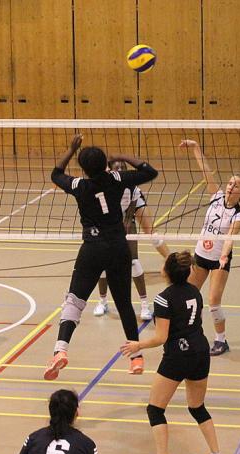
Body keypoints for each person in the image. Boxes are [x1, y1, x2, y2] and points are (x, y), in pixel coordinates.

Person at [43, 134, 158, 380]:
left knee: (74, 300)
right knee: (124, 303)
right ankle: (136, 357)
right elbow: (150, 172)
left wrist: (71, 149)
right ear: (106, 163)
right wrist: (122, 155)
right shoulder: (117, 179)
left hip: (93, 248)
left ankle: (60, 350)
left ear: (84, 169)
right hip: (118, 247)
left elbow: (55, 174)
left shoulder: (79, 186)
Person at [120, 251, 227, 454]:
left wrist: (138, 345)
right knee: (197, 407)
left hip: (179, 355)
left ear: (166, 272)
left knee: (155, 410)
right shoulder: (195, 292)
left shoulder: (163, 299)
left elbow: (161, 337)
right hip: (200, 350)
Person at [180, 139, 240, 356]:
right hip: (200, 256)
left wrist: (224, 256)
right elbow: (205, 170)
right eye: (229, 183)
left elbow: (229, 238)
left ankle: (221, 340)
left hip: (219, 259)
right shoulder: (216, 196)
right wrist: (195, 147)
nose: (230, 187)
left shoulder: (238, 215)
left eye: (235, 185)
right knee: (188, 294)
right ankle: (189, 333)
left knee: (213, 302)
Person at [93, 159, 170, 320]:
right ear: (110, 171)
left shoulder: (132, 187)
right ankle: (102, 301)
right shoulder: (103, 186)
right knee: (102, 263)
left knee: (134, 260)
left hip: (125, 220)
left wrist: (121, 235)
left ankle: (145, 305)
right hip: (107, 222)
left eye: (123, 168)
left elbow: (128, 219)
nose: (120, 170)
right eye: (117, 168)